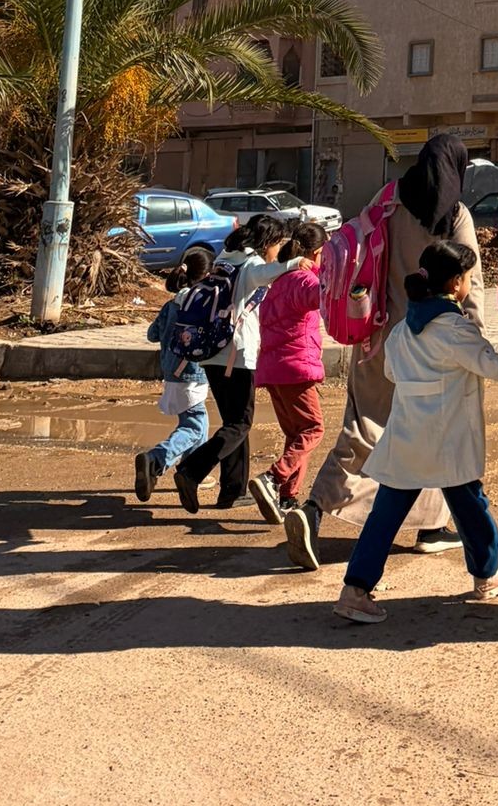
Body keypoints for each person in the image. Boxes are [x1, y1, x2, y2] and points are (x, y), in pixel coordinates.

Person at [284, 134, 481, 571]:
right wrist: (475, 343)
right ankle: (430, 529)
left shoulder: (386, 201)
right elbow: (470, 285)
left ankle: (316, 509)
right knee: (436, 435)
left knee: (365, 427)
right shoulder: (455, 215)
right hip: (434, 347)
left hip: (378, 338)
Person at [334, 238, 498, 624]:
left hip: (407, 438)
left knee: (386, 515)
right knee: (470, 507)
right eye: (469, 278)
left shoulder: (402, 330)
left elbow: (392, 373)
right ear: (456, 282)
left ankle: (355, 590)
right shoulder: (455, 330)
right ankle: (487, 573)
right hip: (447, 441)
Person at [248, 221, 327, 523]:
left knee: (296, 435)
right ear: (317, 252)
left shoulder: (279, 281)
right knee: (313, 429)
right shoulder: (303, 280)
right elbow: (322, 296)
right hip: (296, 368)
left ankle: (287, 497)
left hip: (273, 369)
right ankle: (273, 477)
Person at [174, 225, 254, 513]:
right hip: (237, 356)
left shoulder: (221, 262)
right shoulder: (252, 266)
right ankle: (192, 470)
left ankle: (233, 491)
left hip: (210, 354)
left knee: (233, 423)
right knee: (240, 423)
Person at [134, 252, 212, 502]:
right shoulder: (201, 304)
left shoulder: (171, 305)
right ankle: (156, 459)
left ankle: (192, 471)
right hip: (192, 373)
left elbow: (152, 335)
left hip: (171, 371)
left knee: (197, 423)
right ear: (207, 276)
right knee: (194, 426)